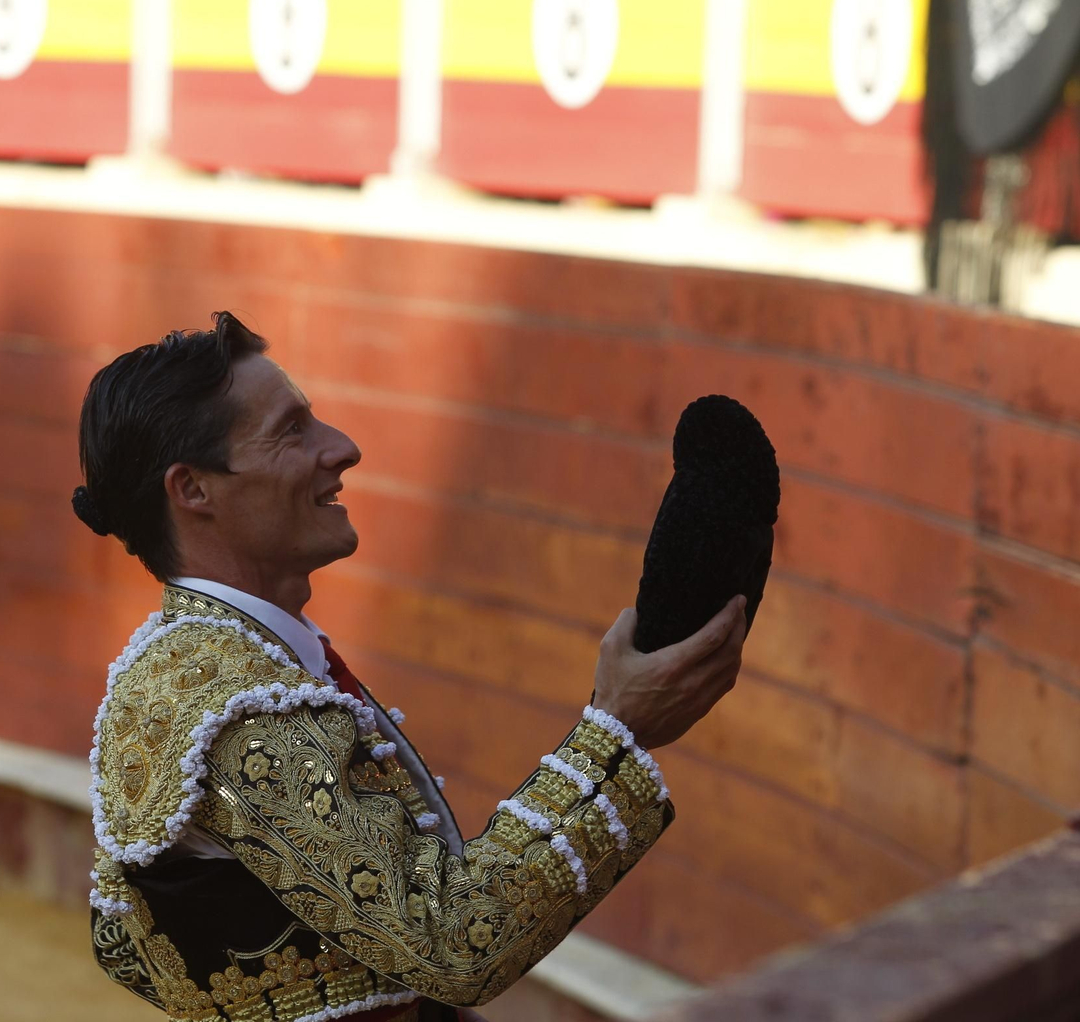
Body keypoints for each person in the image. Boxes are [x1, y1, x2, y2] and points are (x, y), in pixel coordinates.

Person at [76, 313, 745, 1022]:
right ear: (194, 489)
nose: (343, 447)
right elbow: (456, 942)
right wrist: (616, 732)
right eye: (292, 430)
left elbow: (125, 938)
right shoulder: (239, 705)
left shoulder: (190, 660)